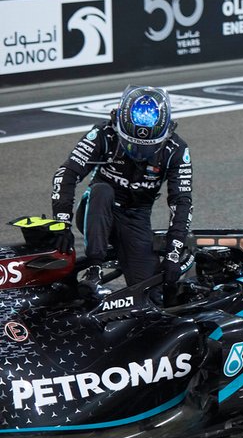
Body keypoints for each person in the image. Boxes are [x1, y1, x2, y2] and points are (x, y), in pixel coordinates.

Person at [50, 86, 193, 289]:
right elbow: (66, 173)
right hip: (96, 209)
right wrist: (61, 223)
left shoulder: (176, 150)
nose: (139, 152)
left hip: (136, 218)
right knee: (102, 190)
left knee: (151, 292)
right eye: (132, 144)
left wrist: (173, 253)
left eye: (148, 146)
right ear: (117, 125)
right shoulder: (103, 134)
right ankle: (94, 269)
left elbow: (181, 201)